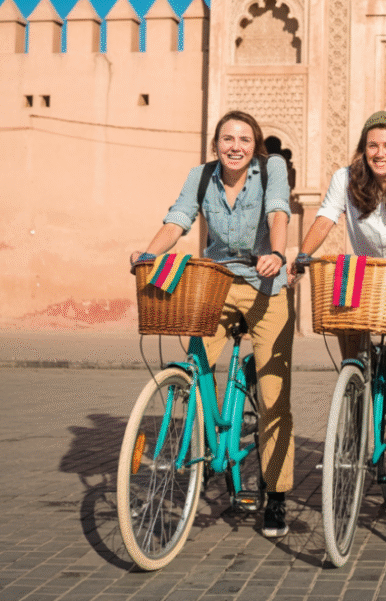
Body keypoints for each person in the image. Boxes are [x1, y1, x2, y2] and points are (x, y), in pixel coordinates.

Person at [130, 110, 295, 538]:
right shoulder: (201, 176)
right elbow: (178, 219)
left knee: (274, 395)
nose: (234, 146)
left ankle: (275, 493)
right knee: (194, 368)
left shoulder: (271, 168)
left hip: (265, 285)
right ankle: (203, 450)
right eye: (227, 138)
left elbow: (279, 211)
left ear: (255, 144)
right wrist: (148, 255)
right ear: (216, 144)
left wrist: (276, 254)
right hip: (215, 282)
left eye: (243, 139)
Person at [292, 111, 386, 534]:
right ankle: (355, 399)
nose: (381, 153)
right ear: (363, 148)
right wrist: (302, 255)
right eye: (373, 145)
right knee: (352, 365)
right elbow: (325, 216)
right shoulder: (346, 178)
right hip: (364, 280)